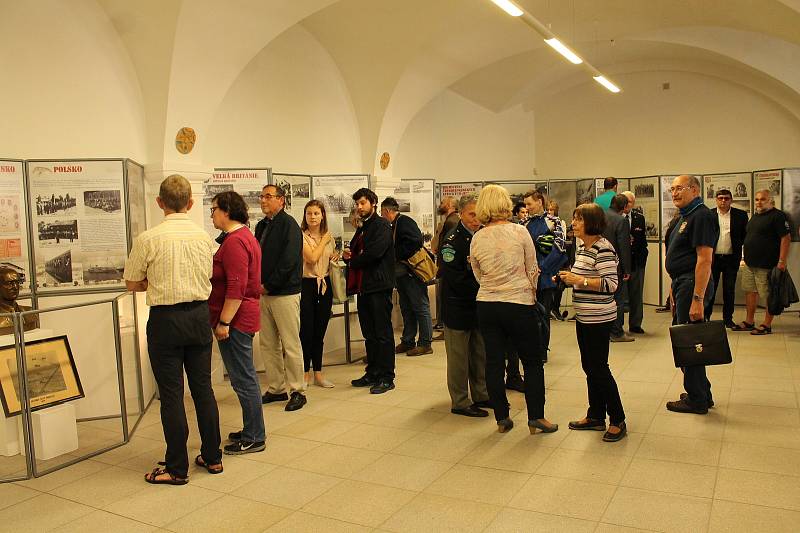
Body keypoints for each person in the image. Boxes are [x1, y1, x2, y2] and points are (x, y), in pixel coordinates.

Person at [123, 174, 221, 485]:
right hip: (198, 316)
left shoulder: (148, 239)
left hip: (165, 320)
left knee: (172, 394)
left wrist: (151, 281)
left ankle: (177, 468)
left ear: (159, 202)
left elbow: (131, 282)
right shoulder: (205, 238)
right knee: (203, 389)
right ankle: (213, 457)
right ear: (191, 204)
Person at [469, 184, 557, 435]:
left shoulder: (478, 237)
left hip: (487, 304)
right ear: (505, 204)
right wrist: (526, 291)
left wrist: (493, 286)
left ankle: (502, 417)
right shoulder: (520, 232)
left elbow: (477, 272)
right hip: (518, 304)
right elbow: (533, 270)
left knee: (494, 362)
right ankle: (536, 418)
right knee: (531, 361)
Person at [558, 203, 626, 442]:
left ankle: (618, 419)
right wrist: (569, 278)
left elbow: (611, 285)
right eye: (574, 218)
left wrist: (579, 280)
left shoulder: (603, 249)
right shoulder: (583, 248)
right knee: (589, 367)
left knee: (599, 368)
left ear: (592, 223)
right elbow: (585, 276)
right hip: (584, 317)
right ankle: (596, 415)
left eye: (578, 219)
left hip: (599, 318)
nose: (573, 223)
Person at [208, 191, 265, 455]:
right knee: (244, 377)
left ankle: (255, 436)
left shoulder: (235, 242)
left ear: (227, 211)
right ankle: (252, 428)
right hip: (241, 317)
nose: (212, 215)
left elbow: (236, 287)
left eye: (214, 209)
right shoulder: (242, 237)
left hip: (236, 319)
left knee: (244, 379)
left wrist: (224, 322)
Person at [664, 175, 719, 415]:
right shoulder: (685, 215)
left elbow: (704, 259)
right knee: (689, 339)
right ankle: (702, 393)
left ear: (695, 190)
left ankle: (696, 399)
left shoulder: (702, 216)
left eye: (680, 189)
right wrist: (673, 289)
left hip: (692, 285)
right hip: (682, 284)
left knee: (689, 341)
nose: (674, 193)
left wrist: (697, 298)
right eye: (672, 189)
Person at [254, 185, 306, 412]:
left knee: (290, 343)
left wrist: (269, 284)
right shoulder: (262, 225)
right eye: (262, 196)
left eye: (268, 197)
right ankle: (276, 388)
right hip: (264, 293)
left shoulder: (289, 225)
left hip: (284, 293)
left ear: (281, 200)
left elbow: (289, 261)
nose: (263, 200)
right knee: (268, 344)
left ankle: (297, 390)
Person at [438, 194, 490, 417]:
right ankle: (460, 401)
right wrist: (486, 289)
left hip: (478, 307)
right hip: (458, 307)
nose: (475, 219)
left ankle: (481, 394)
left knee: (480, 354)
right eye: (471, 214)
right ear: (460, 214)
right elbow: (456, 279)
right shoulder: (452, 241)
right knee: (459, 359)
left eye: (479, 214)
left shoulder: (482, 236)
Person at [345, 188, 396, 394]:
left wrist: (353, 260)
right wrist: (350, 255)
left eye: (363, 203)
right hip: (364, 286)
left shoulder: (382, 225)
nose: (359, 207)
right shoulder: (363, 226)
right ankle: (373, 371)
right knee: (369, 332)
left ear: (373, 203)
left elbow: (375, 253)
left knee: (382, 333)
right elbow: (361, 250)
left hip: (379, 285)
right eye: (357, 203)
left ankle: (387, 376)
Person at [732, 189, 791, 335]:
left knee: (768, 295)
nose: (759, 202)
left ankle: (766, 324)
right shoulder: (755, 216)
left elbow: (786, 238)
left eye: (763, 199)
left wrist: (782, 261)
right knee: (750, 292)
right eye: (757, 199)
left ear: (771, 200)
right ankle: (749, 321)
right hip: (750, 264)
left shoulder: (777, 216)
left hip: (767, 264)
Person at [380, 197, 433, 357]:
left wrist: (396, 255)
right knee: (406, 307)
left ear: (387, 211)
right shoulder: (396, 224)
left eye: (382, 212)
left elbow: (416, 241)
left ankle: (425, 343)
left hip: (411, 273)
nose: (382, 215)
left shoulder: (404, 222)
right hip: (402, 274)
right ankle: (408, 340)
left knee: (420, 306)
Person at [523, 190, 567, 361]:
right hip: (526, 279)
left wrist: (541, 267)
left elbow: (559, 249)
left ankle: (541, 352)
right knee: (527, 316)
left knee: (543, 315)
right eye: (525, 204)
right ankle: (528, 349)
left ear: (540, 201)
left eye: (529, 204)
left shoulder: (554, 222)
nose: (526, 208)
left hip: (545, 278)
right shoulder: (523, 223)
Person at [300, 199, 337, 388]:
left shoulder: (328, 238)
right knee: (306, 331)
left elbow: (329, 256)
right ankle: (305, 372)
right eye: (309, 213)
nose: (313, 217)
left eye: (316, 213)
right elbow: (312, 258)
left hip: (325, 285)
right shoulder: (302, 236)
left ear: (322, 215)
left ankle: (319, 373)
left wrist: (336, 254)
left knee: (319, 332)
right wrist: (324, 240)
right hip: (307, 285)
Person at [704, 189, 748, 328]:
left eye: (726, 198)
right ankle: (706, 317)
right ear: (716, 200)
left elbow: (744, 237)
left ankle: (728, 319)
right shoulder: (709, 215)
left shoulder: (740, 215)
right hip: (713, 259)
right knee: (710, 288)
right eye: (721, 198)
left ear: (731, 200)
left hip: (731, 259)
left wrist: (742, 256)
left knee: (729, 290)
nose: (723, 201)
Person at [603, 194, 633, 342]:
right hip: (615, 267)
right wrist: (627, 269)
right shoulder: (621, 221)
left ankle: (606, 331)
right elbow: (624, 247)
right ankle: (617, 332)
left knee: (605, 299)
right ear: (624, 207)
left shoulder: (600, 216)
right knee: (618, 300)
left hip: (601, 265)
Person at [432, 196, 460, 337]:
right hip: (445, 266)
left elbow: (447, 247)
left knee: (445, 298)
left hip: (446, 267)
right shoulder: (449, 221)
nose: (440, 204)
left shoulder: (451, 222)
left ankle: (446, 329)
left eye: (443, 202)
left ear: (449, 204)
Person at [622, 191, 648, 334]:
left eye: (630, 202)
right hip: (621, 263)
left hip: (637, 261)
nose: (627, 205)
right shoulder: (615, 218)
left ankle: (635, 324)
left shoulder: (639, 218)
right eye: (625, 201)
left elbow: (642, 240)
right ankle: (617, 325)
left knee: (636, 294)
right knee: (619, 295)